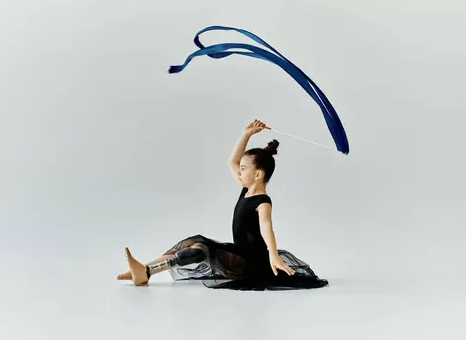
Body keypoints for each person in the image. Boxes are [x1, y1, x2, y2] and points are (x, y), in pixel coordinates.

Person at [117, 119, 329, 291]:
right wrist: (245, 135)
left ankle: (145, 273)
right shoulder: (246, 190)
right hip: (238, 253)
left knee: (201, 249)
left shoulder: (262, 202)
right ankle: (144, 270)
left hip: (250, 265)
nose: (239, 171)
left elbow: (267, 228)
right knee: (194, 240)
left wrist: (273, 255)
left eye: (244, 168)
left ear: (257, 174)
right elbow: (231, 162)